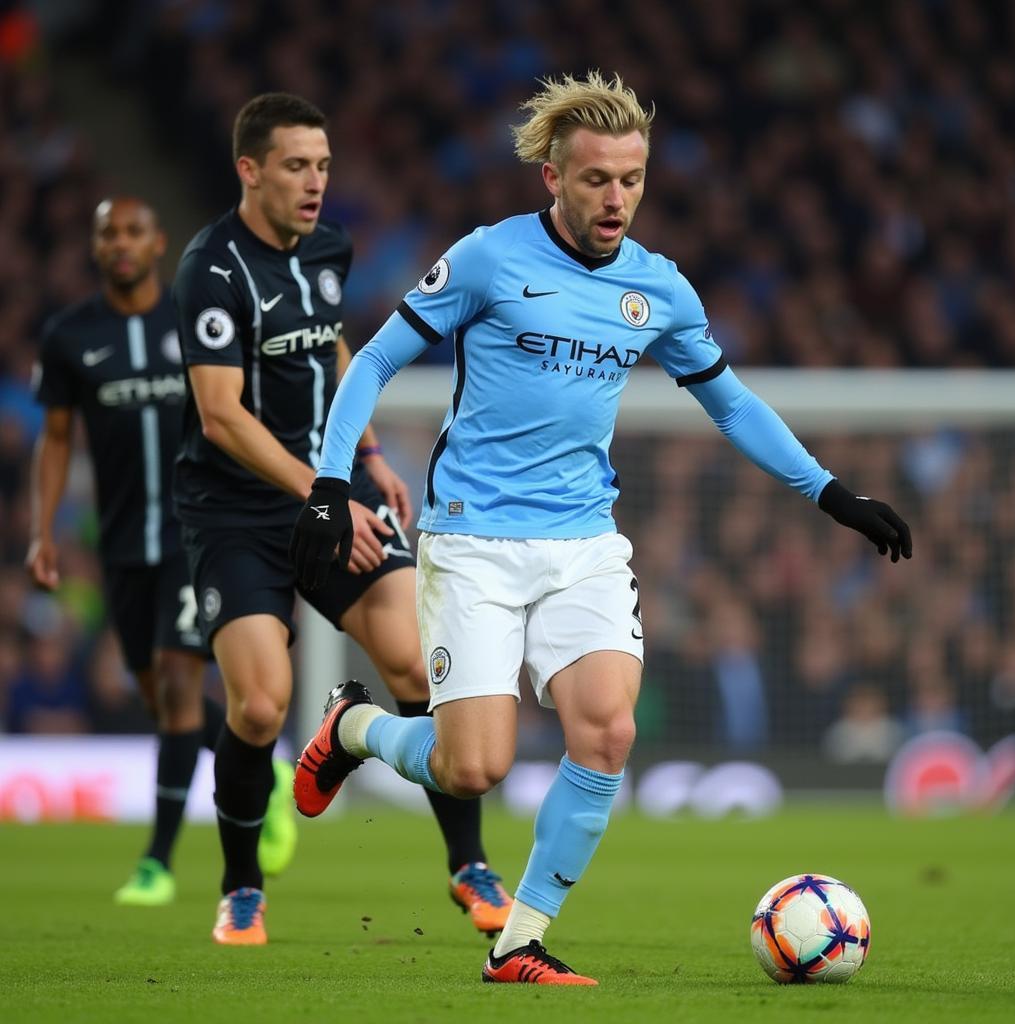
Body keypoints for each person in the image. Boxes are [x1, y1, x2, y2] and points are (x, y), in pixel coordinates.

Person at [289, 71, 913, 986]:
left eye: (631, 179)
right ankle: (353, 731)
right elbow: (375, 359)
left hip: (583, 542)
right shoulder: (490, 260)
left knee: (607, 735)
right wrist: (329, 484)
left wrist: (830, 493)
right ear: (551, 175)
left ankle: (519, 944)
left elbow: (730, 404)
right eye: (595, 179)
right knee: (472, 770)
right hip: (474, 542)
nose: (615, 197)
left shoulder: (658, 288)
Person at [172, 92, 510, 946]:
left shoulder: (328, 248)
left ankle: (467, 865)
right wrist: (322, 491)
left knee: (415, 661)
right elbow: (220, 415)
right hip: (235, 511)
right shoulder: (211, 270)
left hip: (324, 484)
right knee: (257, 706)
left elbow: (330, 350)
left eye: (322, 165)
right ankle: (241, 887)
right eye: (295, 165)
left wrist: (365, 459)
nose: (315, 182)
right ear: (249, 170)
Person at [27, 196, 296, 906]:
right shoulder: (68, 335)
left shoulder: (197, 319)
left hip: (195, 531)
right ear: (94, 246)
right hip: (121, 546)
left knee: (180, 683)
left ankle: (158, 862)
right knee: (156, 696)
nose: (120, 242)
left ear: (158, 244)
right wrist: (44, 531)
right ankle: (262, 780)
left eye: (134, 231)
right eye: (108, 231)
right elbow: (55, 441)